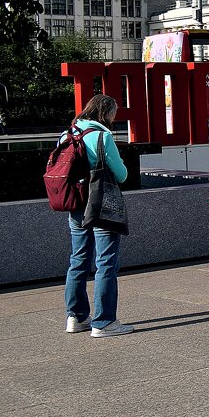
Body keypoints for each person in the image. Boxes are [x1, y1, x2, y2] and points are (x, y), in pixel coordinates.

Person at [63, 94, 134, 338]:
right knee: (105, 262)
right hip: (101, 204)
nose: (115, 118)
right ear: (105, 113)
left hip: (76, 204)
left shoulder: (68, 134)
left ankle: (76, 317)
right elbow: (122, 174)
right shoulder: (102, 136)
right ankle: (103, 323)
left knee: (78, 259)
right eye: (114, 113)